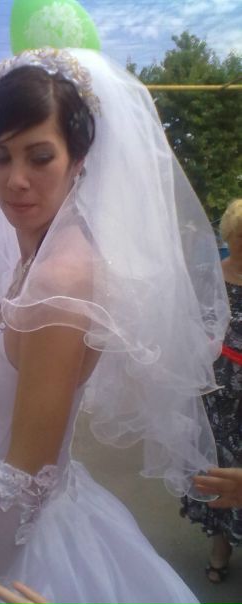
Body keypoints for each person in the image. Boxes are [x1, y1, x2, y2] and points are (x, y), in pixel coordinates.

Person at [0, 48, 229, 604]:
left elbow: (27, 475)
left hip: (16, 538)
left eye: (40, 157)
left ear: (79, 161)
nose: (16, 180)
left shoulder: (60, 281)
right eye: (0, 157)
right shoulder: (34, 258)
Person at [180, 198, 242, 584]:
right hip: (217, 392)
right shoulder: (210, 276)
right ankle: (220, 547)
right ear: (229, 235)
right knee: (218, 467)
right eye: (240, 235)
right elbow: (190, 321)